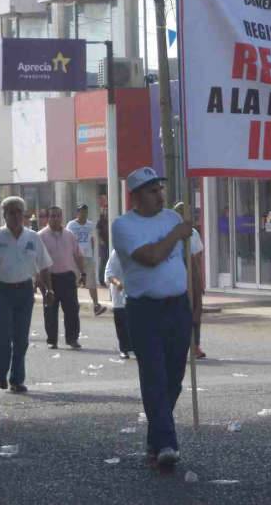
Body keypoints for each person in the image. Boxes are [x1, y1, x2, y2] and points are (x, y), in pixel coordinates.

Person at [112, 167, 193, 467]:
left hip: (177, 307)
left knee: (174, 379)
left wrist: (194, 306)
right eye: (152, 191)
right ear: (136, 197)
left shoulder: (172, 217)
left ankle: (156, 436)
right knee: (154, 376)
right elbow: (151, 257)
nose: (160, 195)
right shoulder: (123, 226)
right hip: (145, 310)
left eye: (160, 189)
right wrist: (177, 233)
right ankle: (167, 444)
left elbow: (187, 259)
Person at [0, 196, 53, 393]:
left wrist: (48, 290)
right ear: (4, 215)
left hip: (25, 291)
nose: (16, 216)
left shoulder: (33, 238)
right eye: (12, 212)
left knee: (21, 338)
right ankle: (0, 372)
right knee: (4, 336)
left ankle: (17, 379)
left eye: (19, 212)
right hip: (1, 290)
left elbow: (43, 266)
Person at [39, 206, 86, 350]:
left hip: (67, 277)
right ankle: (52, 340)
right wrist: (38, 279)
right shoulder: (40, 236)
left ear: (62, 217)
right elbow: (36, 259)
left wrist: (83, 273)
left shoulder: (69, 235)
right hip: (49, 279)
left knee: (72, 309)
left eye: (58, 216)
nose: (55, 219)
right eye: (52, 216)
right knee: (50, 310)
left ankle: (72, 339)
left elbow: (78, 255)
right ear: (48, 218)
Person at [174, 202, 207, 359]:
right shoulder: (173, 234)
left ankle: (195, 345)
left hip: (191, 275)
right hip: (179, 276)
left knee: (195, 311)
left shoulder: (193, 233)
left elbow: (197, 259)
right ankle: (183, 345)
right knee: (182, 312)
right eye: (180, 213)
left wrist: (199, 282)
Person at [67, 204, 107, 316]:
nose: (83, 214)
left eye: (85, 212)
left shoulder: (90, 225)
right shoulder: (71, 225)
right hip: (75, 257)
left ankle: (96, 305)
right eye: (81, 212)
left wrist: (92, 252)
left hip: (88, 257)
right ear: (77, 213)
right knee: (74, 281)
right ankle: (72, 305)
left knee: (91, 282)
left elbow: (92, 239)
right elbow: (68, 239)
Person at [104, 249, 132, 359]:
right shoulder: (117, 252)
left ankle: (135, 347)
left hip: (135, 291)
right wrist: (117, 283)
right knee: (121, 320)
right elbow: (109, 272)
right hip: (119, 291)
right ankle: (124, 349)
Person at [97, 211, 109, 288]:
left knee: (107, 260)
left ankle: (105, 279)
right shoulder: (101, 221)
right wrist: (101, 241)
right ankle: (101, 279)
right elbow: (98, 232)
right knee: (103, 261)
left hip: (108, 243)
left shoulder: (108, 220)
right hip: (103, 244)